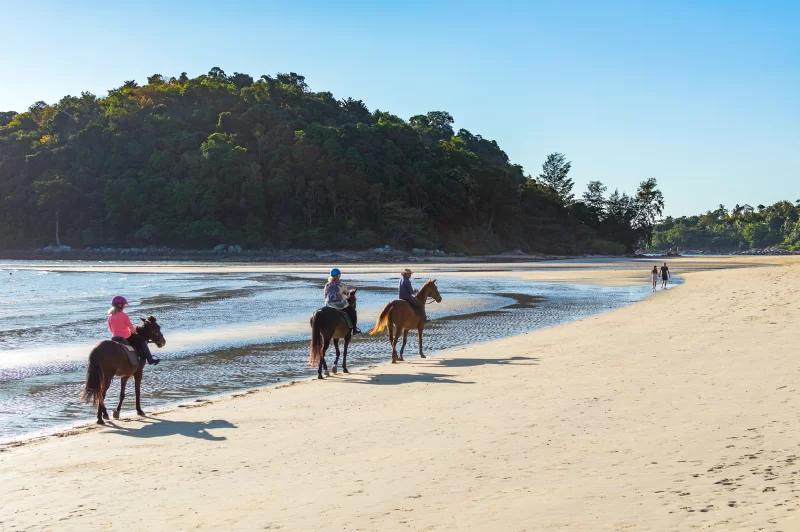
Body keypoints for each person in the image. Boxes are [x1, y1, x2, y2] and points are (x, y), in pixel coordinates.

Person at [107, 296, 160, 365]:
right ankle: (150, 360)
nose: (124, 306)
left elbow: (111, 330)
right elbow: (131, 328)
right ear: (120, 305)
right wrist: (133, 332)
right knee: (142, 341)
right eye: (124, 305)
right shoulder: (124, 315)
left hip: (115, 337)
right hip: (126, 337)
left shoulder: (110, 317)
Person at [324, 268, 360, 335]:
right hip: (340, 305)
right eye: (339, 275)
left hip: (329, 305)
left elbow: (325, 296)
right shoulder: (341, 285)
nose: (340, 276)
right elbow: (348, 295)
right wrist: (345, 295)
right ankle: (354, 329)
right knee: (353, 312)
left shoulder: (327, 285)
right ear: (338, 276)